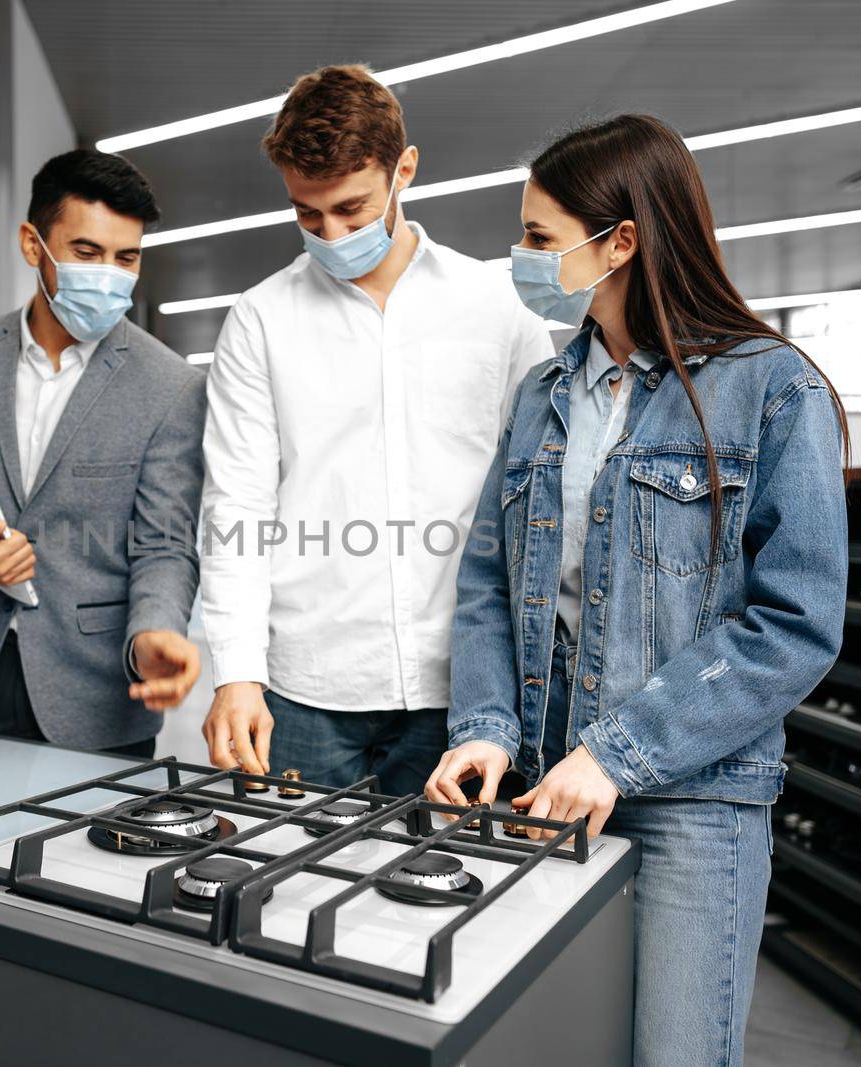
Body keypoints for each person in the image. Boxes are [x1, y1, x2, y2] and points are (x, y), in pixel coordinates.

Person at [424, 114, 849, 1065]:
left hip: (693, 806)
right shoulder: (544, 393)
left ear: (619, 242)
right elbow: (493, 582)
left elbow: (796, 624)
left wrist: (617, 754)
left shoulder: (774, 390)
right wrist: (487, 728)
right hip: (543, 783)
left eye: (538, 238)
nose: (521, 258)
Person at [199, 65, 555, 795]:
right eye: (307, 214)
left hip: (463, 689)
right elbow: (235, 503)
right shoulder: (261, 319)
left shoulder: (497, 306)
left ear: (405, 171)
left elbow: (537, 490)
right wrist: (235, 670)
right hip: (305, 687)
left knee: (449, 898)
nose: (330, 235)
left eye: (353, 211)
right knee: (291, 894)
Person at [0, 149, 206, 758]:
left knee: (84, 857)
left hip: (99, 695)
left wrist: (156, 633)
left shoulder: (170, 386)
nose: (109, 274)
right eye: (87, 253)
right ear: (33, 244)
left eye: (127, 257)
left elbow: (164, 542)